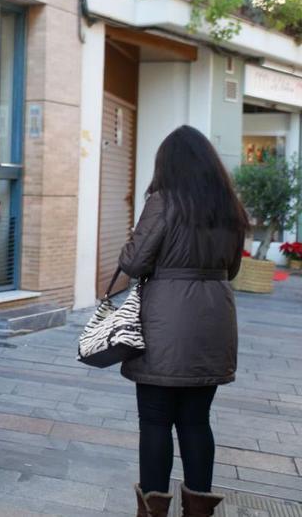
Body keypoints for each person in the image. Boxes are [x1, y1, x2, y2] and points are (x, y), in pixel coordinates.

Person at [122, 126, 246, 517]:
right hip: (214, 319)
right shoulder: (230, 208)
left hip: (165, 323)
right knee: (196, 420)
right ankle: (198, 512)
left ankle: (153, 510)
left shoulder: (163, 202)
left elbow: (133, 262)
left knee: (155, 420)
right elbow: (233, 268)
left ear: (168, 165)